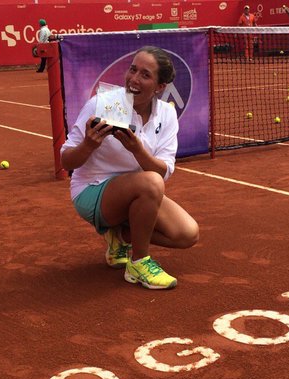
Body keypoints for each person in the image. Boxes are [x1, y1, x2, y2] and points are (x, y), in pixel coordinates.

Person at [60, 46, 199, 290]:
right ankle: (138, 262)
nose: (134, 79)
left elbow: (164, 170)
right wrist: (88, 145)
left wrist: (137, 149)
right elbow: (66, 161)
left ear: (159, 87)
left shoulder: (166, 114)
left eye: (145, 75)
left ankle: (120, 235)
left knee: (187, 234)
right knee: (151, 183)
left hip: (139, 192)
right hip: (92, 190)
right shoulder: (102, 103)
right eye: (133, 70)